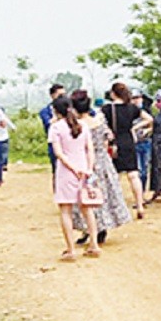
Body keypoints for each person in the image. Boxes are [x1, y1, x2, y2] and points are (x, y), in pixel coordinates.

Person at [71, 89, 131, 243]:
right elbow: (108, 137)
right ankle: (99, 227)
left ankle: (89, 228)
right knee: (103, 193)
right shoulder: (99, 120)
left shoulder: (77, 125)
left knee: (85, 196)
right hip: (102, 159)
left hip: (84, 161)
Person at [48, 95, 103, 261]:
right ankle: (94, 244)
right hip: (84, 169)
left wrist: (73, 168)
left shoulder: (56, 128)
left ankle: (71, 249)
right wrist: (88, 168)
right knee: (87, 209)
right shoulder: (83, 126)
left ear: (56, 110)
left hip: (66, 172)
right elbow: (90, 149)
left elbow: (59, 153)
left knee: (66, 210)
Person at [103, 83, 152, 219]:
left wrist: (107, 133)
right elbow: (149, 119)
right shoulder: (132, 107)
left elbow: (100, 123)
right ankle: (140, 205)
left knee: (115, 177)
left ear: (113, 94)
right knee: (133, 175)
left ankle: (117, 207)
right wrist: (134, 128)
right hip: (129, 141)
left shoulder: (107, 109)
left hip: (115, 143)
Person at [39, 84, 66, 178]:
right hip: (54, 142)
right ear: (52, 95)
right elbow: (47, 123)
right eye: (60, 95)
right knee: (56, 170)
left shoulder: (71, 108)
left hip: (70, 141)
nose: (62, 97)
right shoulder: (45, 111)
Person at [131, 89, 154, 189]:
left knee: (145, 169)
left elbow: (152, 125)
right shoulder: (128, 112)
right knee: (138, 170)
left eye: (138, 98)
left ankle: (142, 191)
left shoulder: (146, 111)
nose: (136, 100)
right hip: (134, 143)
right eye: (134, 98)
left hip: (145, 142)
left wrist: (147, 130)